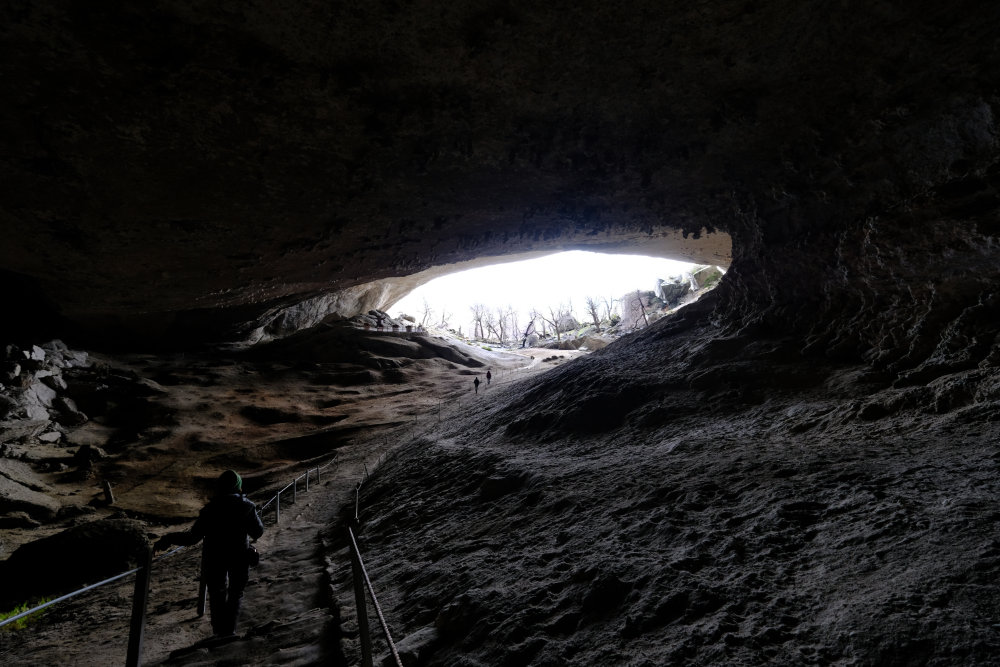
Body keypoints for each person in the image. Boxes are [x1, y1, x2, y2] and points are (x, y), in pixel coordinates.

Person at [154, 470, 264, 637]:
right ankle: (229, 631)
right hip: (239, 556)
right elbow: (258, 531)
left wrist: (169, 538)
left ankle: (219, 632)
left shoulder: (210, 509)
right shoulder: (246, 506)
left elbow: (193, 538)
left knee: (217, 592)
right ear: (238, 486)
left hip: (215, 557)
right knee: (236, 592)